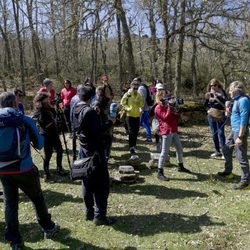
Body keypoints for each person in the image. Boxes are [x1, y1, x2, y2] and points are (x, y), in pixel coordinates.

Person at [0, 92, 59, 250]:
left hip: (3, 170)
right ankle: (48, 227)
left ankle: (15, 241)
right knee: (37, 198)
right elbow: (39, 144)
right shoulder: (24, 119)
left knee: (10, 204)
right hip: (24, 167)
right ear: (14, 103)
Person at [73, 85, 115, 225]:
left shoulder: (75, 108)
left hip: (83, 149)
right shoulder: (90, 112)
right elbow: (98, 132)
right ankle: (100, 216)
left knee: (86, 181)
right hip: (95, 152)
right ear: (91, 97)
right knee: (101, 184)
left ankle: (89, 212)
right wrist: (110, 122)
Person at [218, 81, 250, 190]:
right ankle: (228, 172)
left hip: (240, 131)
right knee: (226, 147)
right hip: (234, 130)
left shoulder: (244, 100)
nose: (229, 92)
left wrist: (240, 137)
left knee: (241, 156)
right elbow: (235, 115)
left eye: (231, 89)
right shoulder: (236, 100)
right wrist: (228, 111)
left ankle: (245, 182)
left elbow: (244, 120)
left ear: (237, 90)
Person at [155, 94, 191, 181]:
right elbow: (165, 118)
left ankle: (180, 166)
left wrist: (178, 111)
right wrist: (170, 107)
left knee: (179, 149)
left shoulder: (169, 106)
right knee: (164, 152)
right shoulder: (158, 108)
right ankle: (160, 172)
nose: (170, 101)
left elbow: (175, 117)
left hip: (174, 130)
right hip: (166, 131)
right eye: (169, 100)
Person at [33, 92, 66, 181]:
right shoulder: (40, 109)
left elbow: (55, 115)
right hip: (47, 134)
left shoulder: (49, 107)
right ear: (42, 99)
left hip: (54, 133)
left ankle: (59, 168)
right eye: (47, 98)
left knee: (60, 150)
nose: (49, 99)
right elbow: (42, 123)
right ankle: (46, 173)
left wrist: (56, 109)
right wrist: (53, 121)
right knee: (48, 154)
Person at [205, 79, 227, 158]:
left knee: (221, 133)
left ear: (218, 85)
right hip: (211, 115)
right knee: (214, 133)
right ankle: (217, 151)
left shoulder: (222, 92)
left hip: (220, 114)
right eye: (211, 85)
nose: (213, 87)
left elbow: (226, 102)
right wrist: (207, 109)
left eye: (215, 85)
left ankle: (224, 152)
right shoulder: (209, 93)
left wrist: (217, 96)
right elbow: (206, 104)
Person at [121, 79, 143, 155]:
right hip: (129, 115)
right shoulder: (128, 94)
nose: (135, 90)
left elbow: (141, 104)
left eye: (137, 88)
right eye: (134, 88)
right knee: (131, 132)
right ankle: (131, 147)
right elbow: (122, 103)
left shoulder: (139, 95)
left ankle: (134, 146)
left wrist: (139, 103)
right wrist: (128, 109)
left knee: (136, 132)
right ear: (131, 87)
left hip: (137, 115)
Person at [137, 77, 153, 142]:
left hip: (143, 109)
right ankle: (149, 138)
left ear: (139, 82)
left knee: (137, 123)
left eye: (136, 81)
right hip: (146, 108)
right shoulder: (146, 87)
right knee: (146, 124)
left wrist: (141, 108)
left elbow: (142, 99)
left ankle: (134, 137)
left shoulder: (141, 88)